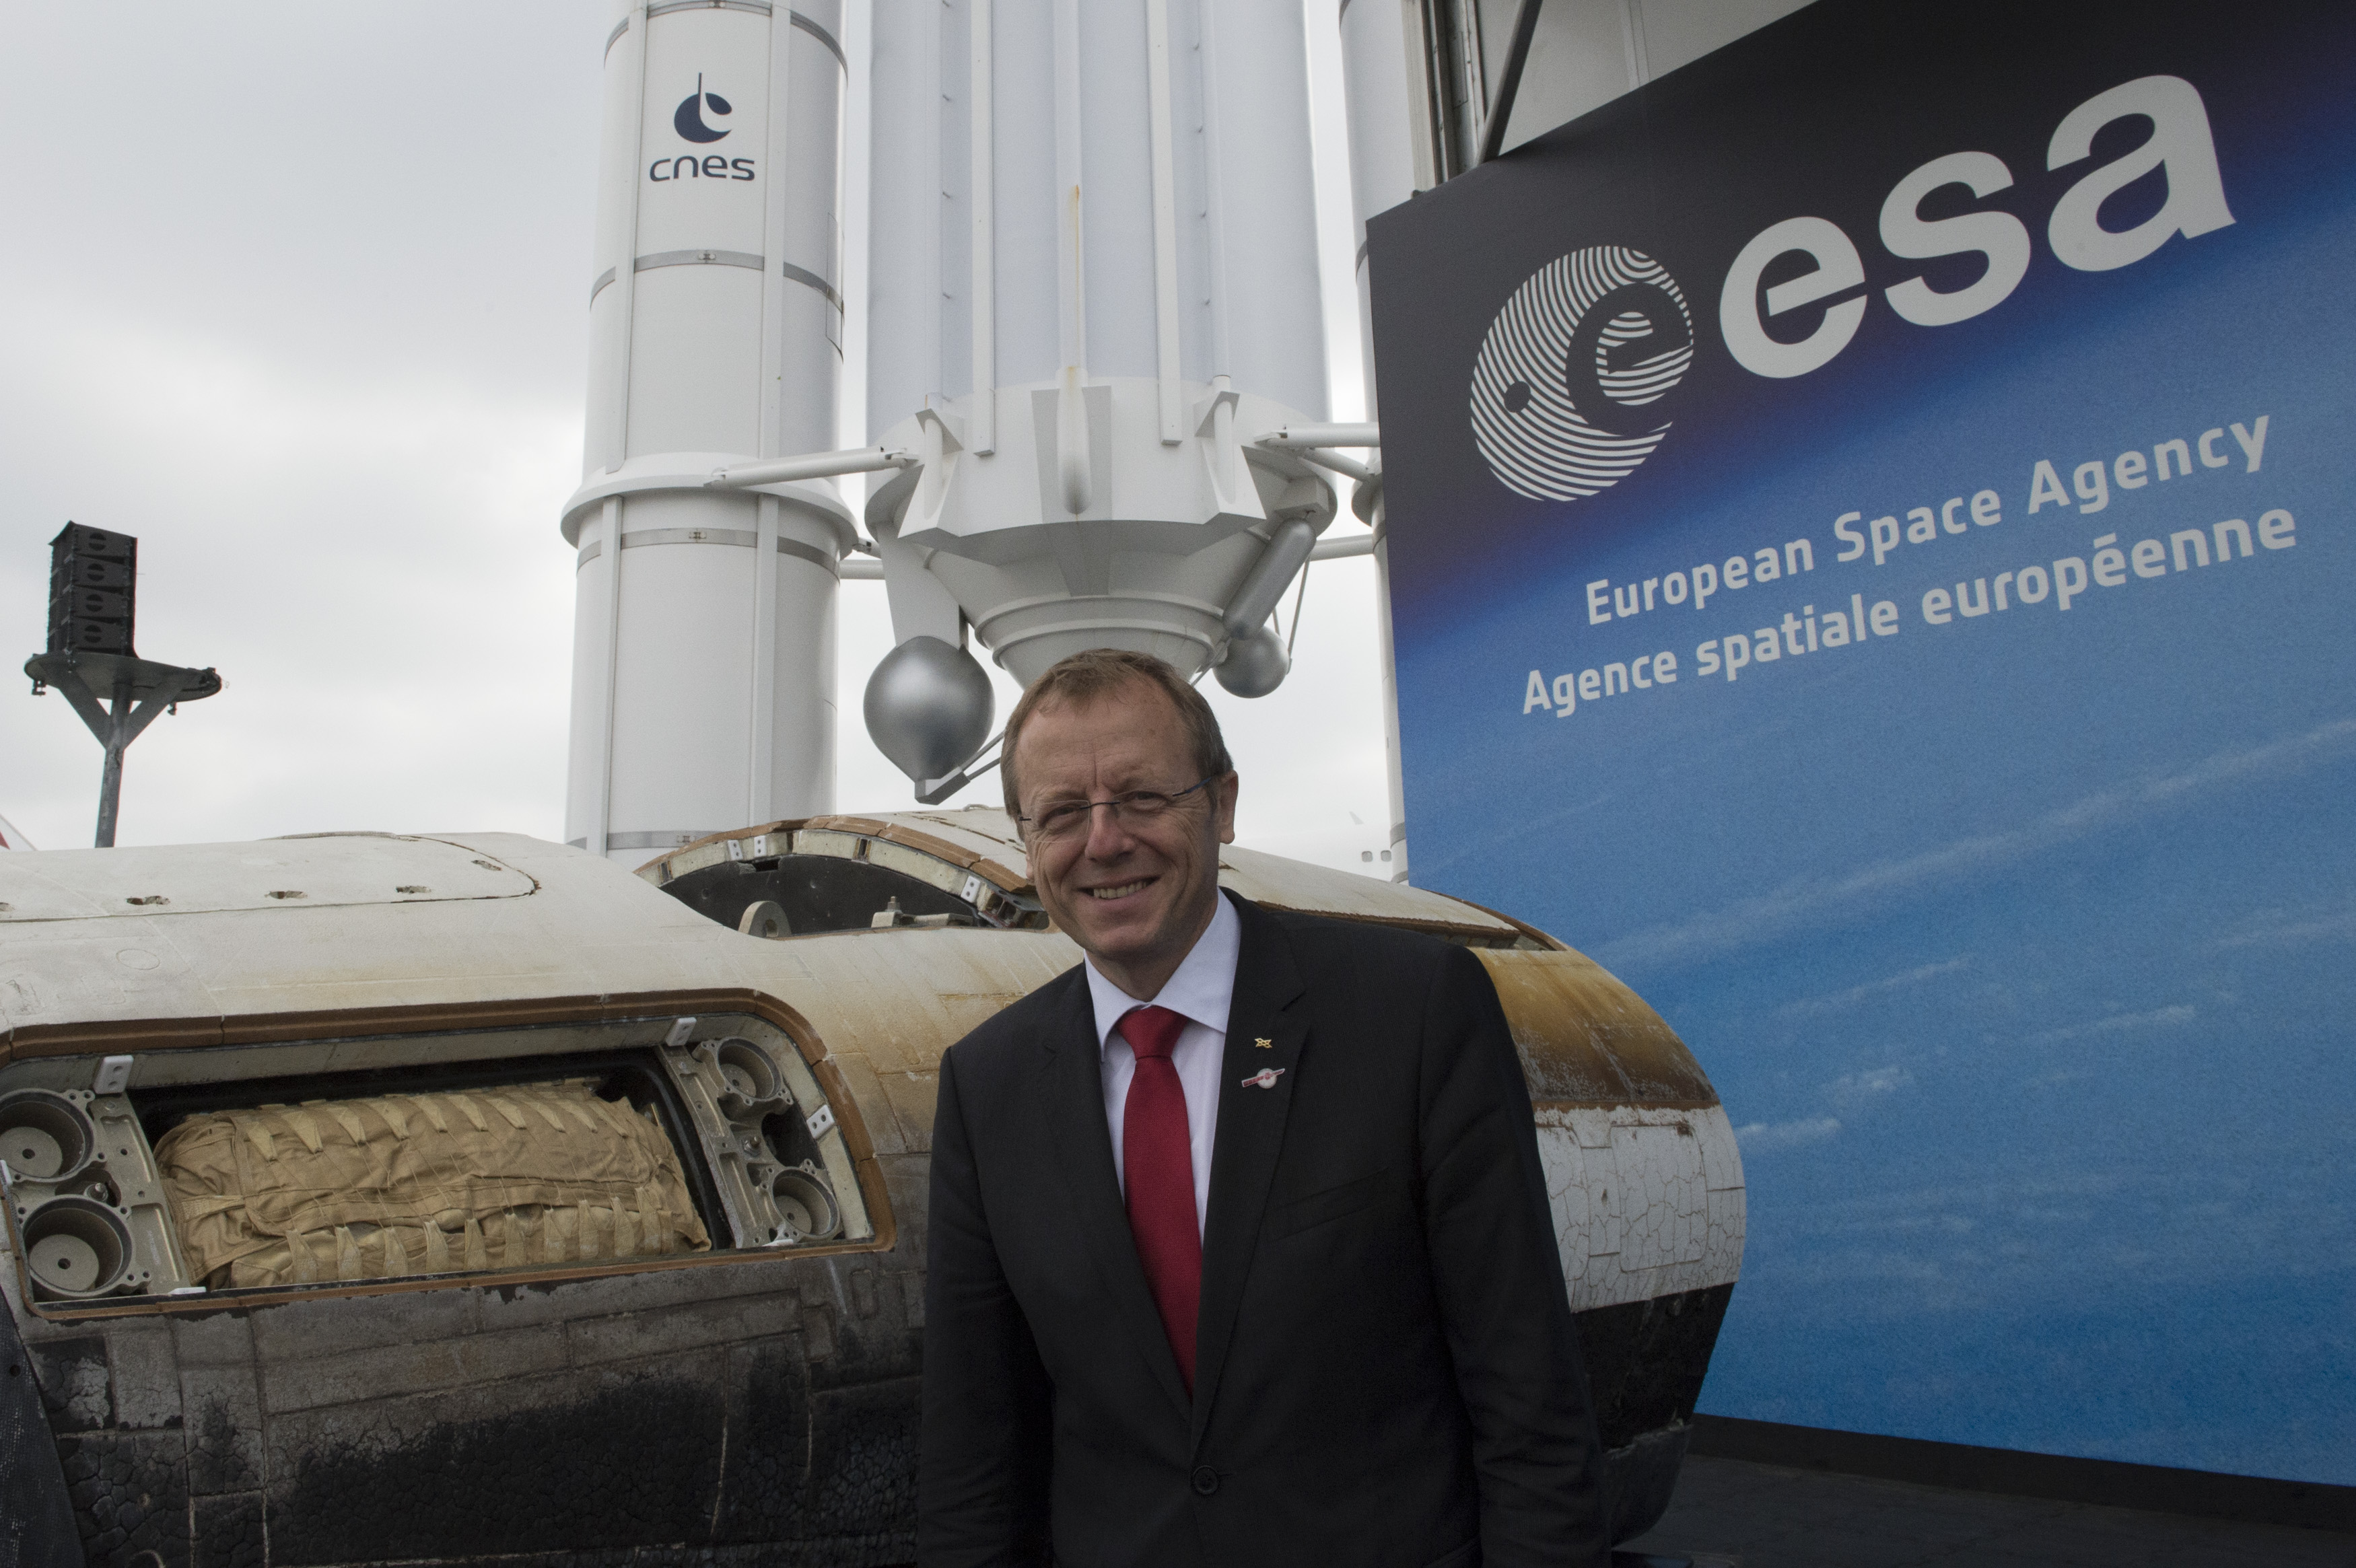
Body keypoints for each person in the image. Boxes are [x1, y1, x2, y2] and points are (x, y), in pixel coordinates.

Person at [920, 648, 1609, 1567]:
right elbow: (971, 1460)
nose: (1104, 841)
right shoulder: (987, 1085)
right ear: (1025, 840)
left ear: (1223, 803)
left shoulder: (1412, 1014)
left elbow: (1531, 1407)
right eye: (1061, 814)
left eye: (1142, 798)